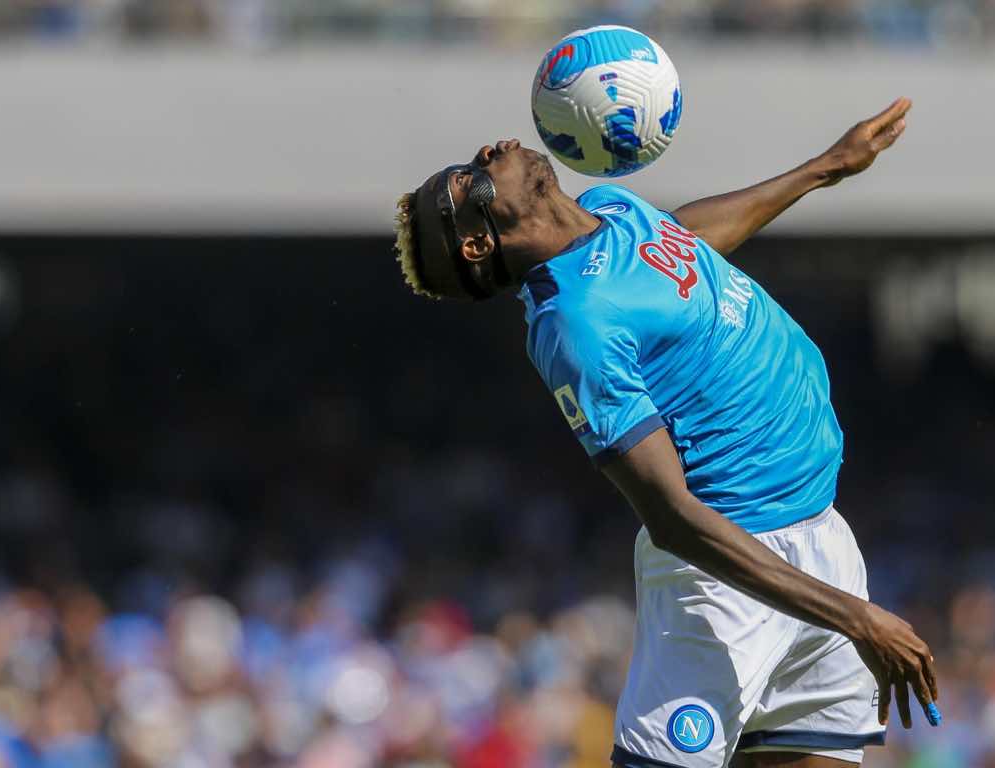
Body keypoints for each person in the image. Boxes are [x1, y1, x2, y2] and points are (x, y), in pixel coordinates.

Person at [391, 98, 938, 768]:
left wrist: (827, 167)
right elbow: (672, 517)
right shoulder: (575, 325)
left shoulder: (611, 208)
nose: (492, 148)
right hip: (725, 581)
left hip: (821, 533)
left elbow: (682, 241)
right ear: (476, 242)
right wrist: (854, 616)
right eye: (468, 174)